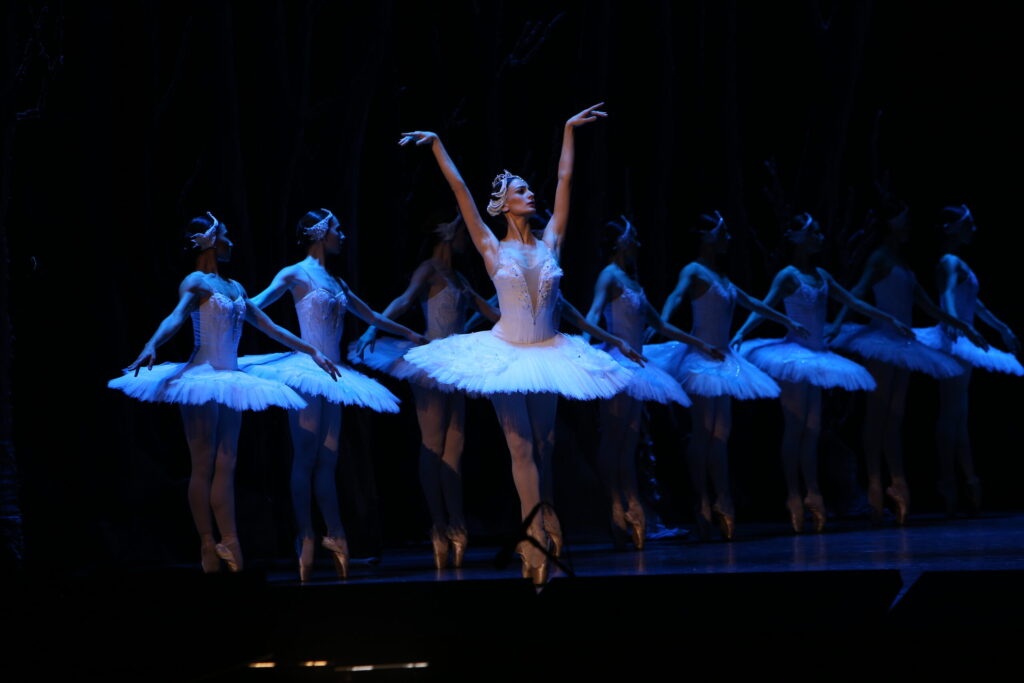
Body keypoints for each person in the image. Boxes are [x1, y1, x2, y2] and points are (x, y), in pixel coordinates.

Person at [398, 104, 631, 584]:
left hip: (547, 354)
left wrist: (567, 129)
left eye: (529, 187)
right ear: (503, 204)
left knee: (544, 447)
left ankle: (546, 517)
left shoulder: (551, 242)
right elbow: (461, 190)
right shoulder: (490, 247)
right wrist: (439, 143)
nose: (532, 193)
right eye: (521, 189)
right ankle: (534, 539)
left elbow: (566, 181)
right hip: (505, 354)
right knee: (520, 447)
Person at [109, 213, 338, 573]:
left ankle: (230, 541)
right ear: (210, 240)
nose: (231, 242)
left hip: (231, 378)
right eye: (226, 235)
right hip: (201, 377)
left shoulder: (236, 287)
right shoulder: (196, 281)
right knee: (202, 464)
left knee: (227, 465)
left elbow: (269, 325)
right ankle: (206, 542)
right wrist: (153, 343)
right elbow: (176, 317)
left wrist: (312, 350)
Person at [239, 208, 425, 580]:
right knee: (306, 457)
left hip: (335, 373)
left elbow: (371, 315)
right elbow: (252, 309)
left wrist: (409, 334)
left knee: (328, 459)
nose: (343, 235)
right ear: (321, 233)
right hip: (307, 370)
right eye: (337, 229)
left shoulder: (337, 281)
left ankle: (335, 534)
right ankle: (306, 535)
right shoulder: (295, 273)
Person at [732, 213, 911, 532]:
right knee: (795, 427)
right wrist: (741, 334)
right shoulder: (788, 275)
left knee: (812, 429)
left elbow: (853, 299)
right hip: (791, 357)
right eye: (813, 232)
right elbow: (764, 305)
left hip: (817, 356)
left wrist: (889, 318)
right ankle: (793, 495)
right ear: (798, 238)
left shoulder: (821, 275)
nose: (820, 237)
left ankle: (813, 492)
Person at [644, 211, 808, 540]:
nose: (728, 239)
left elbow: (753, 304)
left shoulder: (722, 277)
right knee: (704, 434)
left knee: (721, 434)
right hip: (700, 359)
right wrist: (658, 324)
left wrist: (789, 321)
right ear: (707, 237)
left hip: (722, 359)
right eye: (723, 233)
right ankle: (702, 502)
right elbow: (675, 298)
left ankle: (723, 499)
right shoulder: (694, 270)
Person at [350, 215, 496, 569]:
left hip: (458, 365)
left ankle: (457, 522)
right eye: (463, 233)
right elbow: (404, 300)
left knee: (455, 448)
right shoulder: (429, 268)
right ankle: (438, 525)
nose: (467, 241)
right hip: (432, 362)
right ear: (448, 233)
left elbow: (489, 311)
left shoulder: (460, 277)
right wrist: (372, 330)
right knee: (432, 444)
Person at [828, 201, 986, 523]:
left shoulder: (902, 261)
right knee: (877, 415)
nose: (909, 224)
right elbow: (857, 291)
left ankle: (896, 482)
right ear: (892, 223)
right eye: (904, 219)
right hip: (883, 341)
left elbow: (928, 305)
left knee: (895, 417)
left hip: (903, 343)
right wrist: (836, 324)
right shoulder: (881, 257)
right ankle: (874, 484)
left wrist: (964, 326)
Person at [585, 216, 722, 548]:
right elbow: (592, 314)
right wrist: (586, 349)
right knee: (614, 436)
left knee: (629, 439)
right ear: (621, 242)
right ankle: (617, 505)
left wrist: (699, 343)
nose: (638, 245)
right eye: (634, 239)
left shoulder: (633, 283)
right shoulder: (610, 275)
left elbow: (659, 323)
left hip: (638, 366)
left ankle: (632, 502)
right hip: (617, 362)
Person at [914, 205, 1022, 514]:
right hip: (955, 339)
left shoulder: (958, 261)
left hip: (961, 335)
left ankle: (966, 481)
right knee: (952, 413)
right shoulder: (949, 260)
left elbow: (974, 302)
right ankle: (950, 483)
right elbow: (947, 294)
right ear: (951, 229)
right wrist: (957, 326)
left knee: (958, 414)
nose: (974, 229)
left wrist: (1001, 327)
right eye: (969, 224)